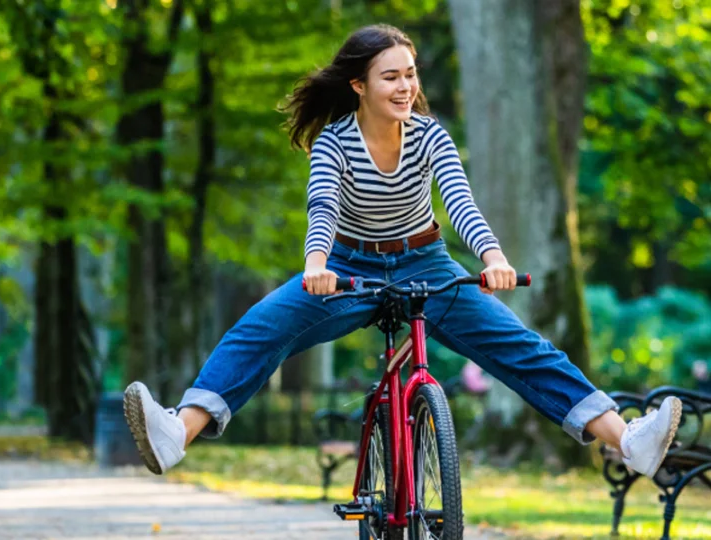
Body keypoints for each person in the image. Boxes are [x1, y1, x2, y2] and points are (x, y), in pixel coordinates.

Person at [123, 24, 681, 480]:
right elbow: (323, 207)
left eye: (409, 75)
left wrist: (491, 257)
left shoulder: (431, 137)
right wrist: (316, 266)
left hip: (427, 263)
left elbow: (459, 203)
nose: (404, 86)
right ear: (359, 85)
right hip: (346, 269)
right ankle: (179, 432)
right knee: (260, 328)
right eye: (389, 76)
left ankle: (627, 439)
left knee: (522, 347)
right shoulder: (335, 142)